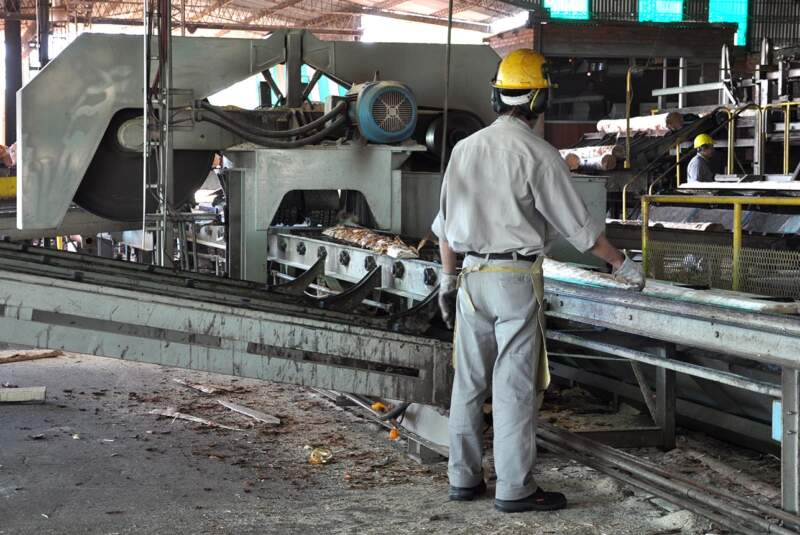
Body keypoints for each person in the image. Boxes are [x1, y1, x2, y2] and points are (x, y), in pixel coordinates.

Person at [432, 49, 645, 514]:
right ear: (539, 101)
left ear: (496, 95)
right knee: (512, 387)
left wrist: (448, 281)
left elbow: (445, 228)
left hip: (470, 277)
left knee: (467, 383)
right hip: (513, 280)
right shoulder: (539, 154)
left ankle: (463, 479)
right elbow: (580, 229)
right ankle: (514, 489)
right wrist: (621, 264)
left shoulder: (464, 149)